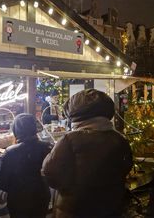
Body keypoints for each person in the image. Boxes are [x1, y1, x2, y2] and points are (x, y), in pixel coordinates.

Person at [42, 89, 133, 217]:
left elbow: (50, 173)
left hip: (75, 210)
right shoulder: (119, 139)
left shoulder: (69, 140)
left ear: (74, 114)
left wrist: (71, 187)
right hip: (110, 208)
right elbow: (126, 168)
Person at [0, 113, 52, 218]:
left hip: (18, 199)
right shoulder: (47, 147)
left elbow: (1, 182)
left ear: (16, 130)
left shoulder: (10, 152)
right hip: (42, 196)